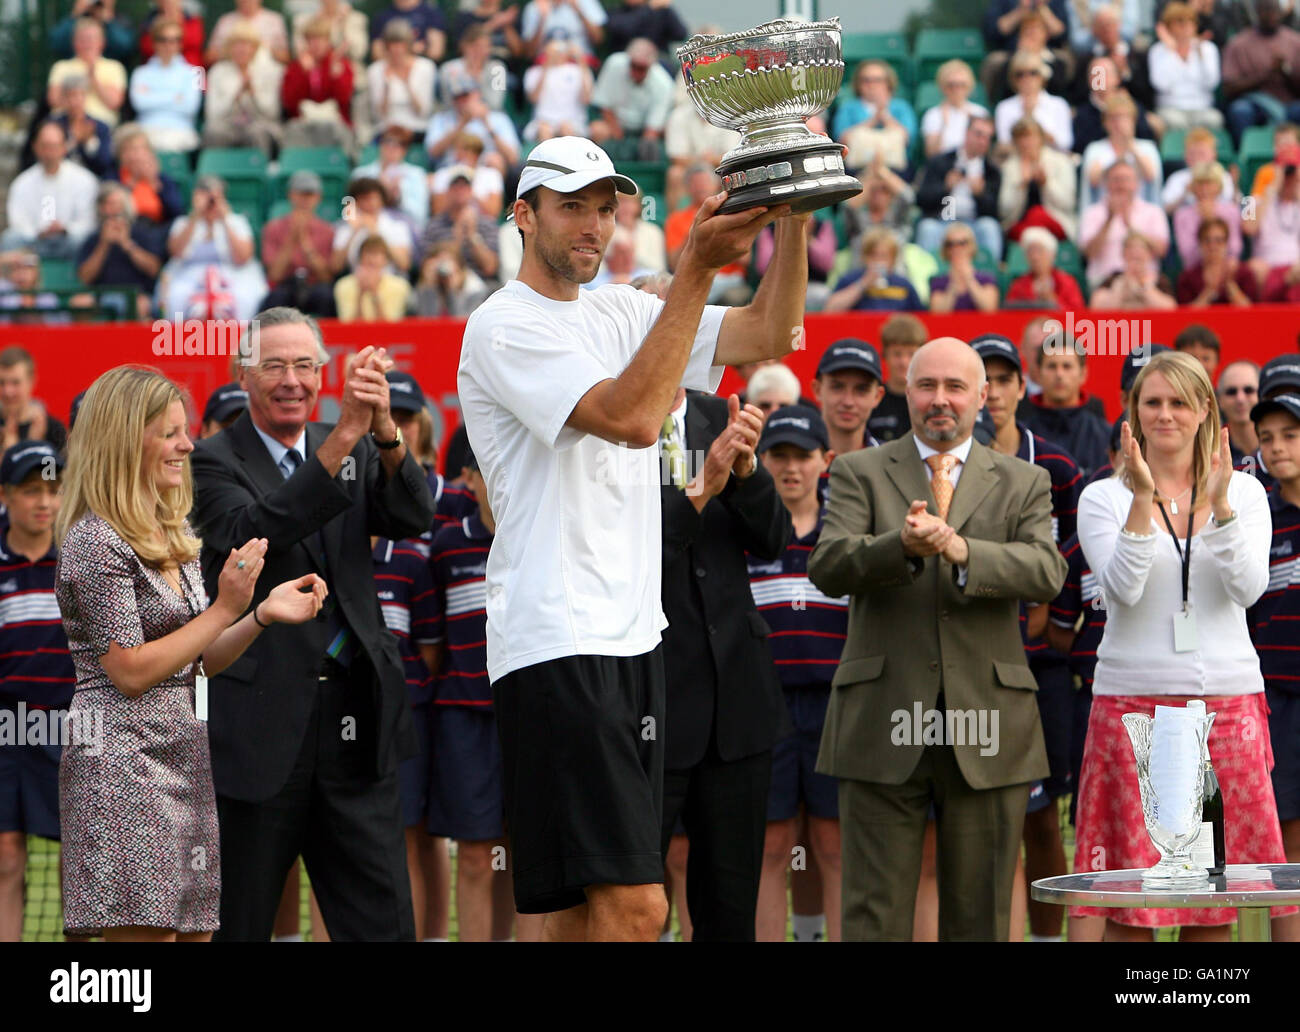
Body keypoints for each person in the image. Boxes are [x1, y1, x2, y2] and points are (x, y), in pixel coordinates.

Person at [456, 134, 811, 940]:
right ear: (523, 215)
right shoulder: (501, 325)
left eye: (605, 208)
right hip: (558, 639)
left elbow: (771, 331)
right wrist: (695, 268)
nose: (593, 225)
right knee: (639, 905)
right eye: (571, 206)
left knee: (584, 909)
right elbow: (632, 418)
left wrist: (790, 215)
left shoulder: (621, 309)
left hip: (629, 636)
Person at [55, 365, 328, 941]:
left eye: (187, 430)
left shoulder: (167, 532)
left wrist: (258, 613)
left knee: (197, 932)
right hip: (120, 764)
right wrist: (224, 610)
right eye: (171, 432)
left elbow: (200, 660)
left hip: (184, 751)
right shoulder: (95, 538)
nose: (188, 445)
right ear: (128, 439)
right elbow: (128, 670)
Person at [808, 336, 1068, 941]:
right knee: (874, 916)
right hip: (882, 717)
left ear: (985, 396)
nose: (940, 400)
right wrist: (897, 545)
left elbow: (1046, 572)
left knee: (980, 917)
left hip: (990, 721)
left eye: (956, 387)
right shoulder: (857, 471)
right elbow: (828, 565)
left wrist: (960, 550)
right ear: (906, 391)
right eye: (927, 385)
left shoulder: (1026, 480)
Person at [189, 308, 437, 941]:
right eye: (273, 365)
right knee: (236, 924)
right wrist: (343, 439)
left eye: (305, 365)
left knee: (383, 926)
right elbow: (255, 535)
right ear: (242, 374)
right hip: (258, 733)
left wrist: (382, 433)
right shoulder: (210, 461)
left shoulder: (351, 441)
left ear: (324, 373)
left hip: (358, 729)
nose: (292, 380)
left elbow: (414, 516)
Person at [1071, 350, 1295, 942]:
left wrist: (1219, 506)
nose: (1165, 414)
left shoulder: (1245, 493)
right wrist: (1143, 500)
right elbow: (1121, 590)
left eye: (1178, 402)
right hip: (1131, 705)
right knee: (1131, 894)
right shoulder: (1104, 497)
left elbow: (1248, 589)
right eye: (1152, 403)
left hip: (1226, 706)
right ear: (1133, 415)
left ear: (1204, 411)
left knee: (1211, 899)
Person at [656, 381, 790, 943]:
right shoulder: (605, 421)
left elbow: (772, 539)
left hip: (736, 700)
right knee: (629, 895)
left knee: (730, 905)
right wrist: (700, 487)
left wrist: (746, 472)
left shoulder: (722, 416)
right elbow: (632, 548)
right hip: (646, 705)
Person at [974, 333, 1083, 941]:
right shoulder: (937, 463)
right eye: (979, 380)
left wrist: (1047, 609)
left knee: (1042, 820)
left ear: (1022, 387)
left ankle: (1045, 938)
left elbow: (1072, 555)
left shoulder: (1059, 465)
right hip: (970, 660)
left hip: (1038, 666)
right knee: (982, 822)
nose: (992, 393)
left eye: (1003, 379)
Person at [425, 446, 538, 942]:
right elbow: (433, 642)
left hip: (536, 714)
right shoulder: (447, 545)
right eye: (490, 469)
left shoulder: (542, 535)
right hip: (466, 717)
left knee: (532, 856)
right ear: (470, 479)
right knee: (475, 855)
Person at [750, 406, 847, 942]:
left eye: (803, 456)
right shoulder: (748, 527)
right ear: (762, 461)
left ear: (825, 461)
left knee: (833, 843)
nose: (791, 468)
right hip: (767, 706)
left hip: (835, 705)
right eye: (779, 456)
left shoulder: (845, 529)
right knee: (771, 843)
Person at [0, 442, 73, 942]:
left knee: (81, 859)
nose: (43, 502)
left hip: (72, 726)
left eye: (52, 490)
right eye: (29, 491)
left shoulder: (77, 557)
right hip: (5, 729)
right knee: (6, 855)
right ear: (5, 495)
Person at [1249, 390, 1300, 939]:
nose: (1277, 448)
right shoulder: (1257, 514)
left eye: (1290, 435)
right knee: (1285, 842)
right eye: (1267, 439)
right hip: (1278, 702)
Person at [159, 176, 268, 321]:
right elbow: (175, 252)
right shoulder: (183, 222)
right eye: (205, 195)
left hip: (233, 273)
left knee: (244, 298)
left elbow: (243, 257)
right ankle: (178, 341)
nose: (210, 202)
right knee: (175, 297)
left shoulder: (236, 222)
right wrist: (196, 215)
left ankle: (243, 341)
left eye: (215, 196)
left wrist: (224, 219)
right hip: (188, 275)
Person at [1022, 333, 1114, 478]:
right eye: (1052, 366)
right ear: (1038, 373)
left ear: (1083, 373)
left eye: (1067, 366)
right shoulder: (1022, 435)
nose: (1059, 374)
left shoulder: (1106, 437)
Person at [2, 122, 98, 261]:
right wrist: (39, 232)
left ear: (64, 147)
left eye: (54, 146)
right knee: (10, 240)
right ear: (35, 147)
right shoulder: (22, 183)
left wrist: (65, 229)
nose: (49, 152)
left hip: (69, 241)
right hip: (34, 243)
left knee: (86, 240)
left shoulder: (84, 179)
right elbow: (17, 222)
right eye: (45, 146)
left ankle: (78, 280)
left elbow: (88, 222)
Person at [915, 114, 1003, 260]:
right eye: (979, 134)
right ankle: (926, 277)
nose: (982, 141)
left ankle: (990, 276)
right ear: (966, 133)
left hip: (974, 223)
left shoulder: (992, 171)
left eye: (987, 137)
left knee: (990, 227)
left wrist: (980, 194)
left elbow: (994, 212)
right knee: (927, 228)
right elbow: (922, 199)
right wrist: (945, 187)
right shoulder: (940, 161)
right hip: (942, 221)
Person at [76, 181, 166, 321]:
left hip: (137, 294)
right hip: (101, 295)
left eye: (115, 204)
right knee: (80, 303)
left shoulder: (142, 233)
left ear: (126, 206)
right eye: (106, 205)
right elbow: (85, 277)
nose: (111, 210)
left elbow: (153, 269)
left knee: (140, 306)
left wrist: (127, 244)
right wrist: (103, 245)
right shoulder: (94, 238)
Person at [665, 165, 751, 306]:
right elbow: (674, 264)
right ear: (687, 189)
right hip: (692, 280)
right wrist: (693, 234)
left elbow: (745, 258)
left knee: (734, 297)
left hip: (729, 281)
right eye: (695, 183)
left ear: (715, 185)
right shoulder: (676, 220)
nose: (700, 187)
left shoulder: (732, 213)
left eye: (704, 182)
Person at [1079, 161, 1170, 288]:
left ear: (1137, 184)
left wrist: (1130, 226)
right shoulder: (1092, 213)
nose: (1121, 185)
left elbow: (1161, 251)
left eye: (1126, 179)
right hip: (1104, 281)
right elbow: (1089, 254)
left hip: (1146, 280)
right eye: (1116, 179)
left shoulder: (1153, 212)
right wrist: (1109, 220)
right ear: (1106, 184)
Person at [260, 170, 337, 317]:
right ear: (291, 195)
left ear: (318, 197)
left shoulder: (327, 231)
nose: (305, 200)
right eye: (301, 194)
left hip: (315, 285)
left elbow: (326, 277)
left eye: (310, 195)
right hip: (286, 284)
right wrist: (291, 240)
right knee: (274, 299)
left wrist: (306, 244)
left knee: (327, 297)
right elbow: (274, 275)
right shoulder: (274, 228)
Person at [1222, 0, 1300, 143]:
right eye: (1266, 10)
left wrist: (1284, 71)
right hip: (1255, 103)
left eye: (1275, 10)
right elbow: (1229, 88)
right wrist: (1267, 75)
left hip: (1288, 103)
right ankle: (1244, 158)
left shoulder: (1295, 41)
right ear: (1257, 12)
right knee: (1240, 111)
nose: (1271, 15)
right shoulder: (1239, 43)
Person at [202, 23, 285, 155]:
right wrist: (236, 95)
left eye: (247, 45)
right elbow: (212, 114)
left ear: (255, 49)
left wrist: (254, 94)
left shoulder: (270, 72)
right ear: (229, 48)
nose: (242, 50)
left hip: (260, 124)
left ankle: (258, 173)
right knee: (214, 132)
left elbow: (273, 113)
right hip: (227, 124)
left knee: (257, 133)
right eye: (237, 45)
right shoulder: (217, 72)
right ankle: (216, 172)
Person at [589, 38, 674, 161]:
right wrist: (619, 138)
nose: (636, 72)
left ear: (651, 65)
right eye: (633, 66)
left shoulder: (664, 84)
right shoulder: (614, 64)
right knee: (597, 130)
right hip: (614, 124)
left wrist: (644, 143)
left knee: (652, 144)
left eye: (641, 68)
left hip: (642, 130)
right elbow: (605, 107)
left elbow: (653, 128)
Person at [281, 15, 356, 154]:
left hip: (333, 121)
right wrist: (303, 74)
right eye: (312, 40)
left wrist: (336, 76)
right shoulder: (295, 67)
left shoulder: (340, 63)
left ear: (328, 41)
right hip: (304, 123)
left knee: (338, 131)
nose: (317, 44)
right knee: (293, 129)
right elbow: (289, 104)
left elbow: (344, 101)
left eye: (321, 39)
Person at [1078, 94, 1164, 212]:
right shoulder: (1095, 149)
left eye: (1124, 117)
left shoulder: (1147, 147)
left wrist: (1129, 145)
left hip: (1141, 213)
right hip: (1105, 211)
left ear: (1133, 120)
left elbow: (1151, 176)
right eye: (1113, 118)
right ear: (1105, 122)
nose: (1118, 123)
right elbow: (1093, 180)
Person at [998, 117, 1078, 243]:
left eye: (1030, 137)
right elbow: (1004, 210)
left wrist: (1046, 183)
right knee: (1033, 217)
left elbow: (1068, 203)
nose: (1026, 143)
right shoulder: (1010, 166)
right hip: (1021, 225)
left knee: (1037, 214)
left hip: (1055, 222)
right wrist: (1022, 185)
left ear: (1040, 138)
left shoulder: (1061, 162)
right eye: (1021, 138)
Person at [129, 18, 202, 154]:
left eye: (175, 40)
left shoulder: (195, 72)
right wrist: (175, 97)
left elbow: (191, 107)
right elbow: (139, 103)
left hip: (181, 133)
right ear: (154, 42)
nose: (169, 45)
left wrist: (153, 96)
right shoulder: (140, 73)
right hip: (146, 132)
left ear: (180, 43)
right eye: (163, 39)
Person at [1149, 2, 1225, 130]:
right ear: (1169, 27)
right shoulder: (1158, 51)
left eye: (1189, 22)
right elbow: (1161, 84)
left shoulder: (1208, 48)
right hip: (1171, 109)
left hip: (1202, 108)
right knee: (1176, 123)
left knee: (1214, 119)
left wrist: (1201, 56)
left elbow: (1212, 83)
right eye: (1179, 22)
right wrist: (1171, 52)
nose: (1185, 27)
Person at [833, 60, 918, 175]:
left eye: (877, 80)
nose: (871, 85)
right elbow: (843, 140)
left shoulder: (901, 107)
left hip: (895, 168)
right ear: (858, 84)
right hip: (858, 167)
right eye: (866, 80)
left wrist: (885, 116)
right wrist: (873, 120)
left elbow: (907, 139)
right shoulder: (848, 107)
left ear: (888, 83)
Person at [419, 168, 500, 285]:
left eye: (464, 186)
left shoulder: (487, 225)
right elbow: (424, 268)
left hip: (479, 287)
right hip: (442, 282)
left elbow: (490, 268)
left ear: (471, 191)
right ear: (448, 191)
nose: (460, 191)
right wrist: (457, 236)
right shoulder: (434, 225)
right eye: (455, 186)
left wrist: (472, 236)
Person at [1243, 142, 1300, 302]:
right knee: (1255, 268)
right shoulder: (1252, 199)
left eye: (1292, 170)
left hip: (1296, 265)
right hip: (1267, 265)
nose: (1288, 178)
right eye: (1286, 171)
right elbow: (1248, 228)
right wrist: (1272, 188)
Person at [46, 17, 127, 129]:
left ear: (102, 42)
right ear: (74, 42)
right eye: (83, 39)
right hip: (64, 125)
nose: (87, 43)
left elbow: (114, 103)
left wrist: (93, 78)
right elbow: (54, 100)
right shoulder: (61, 66)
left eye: (92, 38)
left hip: (101, 127)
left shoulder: (114, 67)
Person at [423, 77, 519, 170]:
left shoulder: (498, 118)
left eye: (465, 95)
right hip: (452, 168)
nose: (461, 101)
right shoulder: (440, 119)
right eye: (457, 97)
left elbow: (512, 158)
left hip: (486, 169)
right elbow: (433, 153)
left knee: (494, 160)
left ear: (477, 94)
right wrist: (461, 124)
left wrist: (486, 124)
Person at [367, 19, 437, 141]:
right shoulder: (375, 70)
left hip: (418, 129)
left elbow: (424, 111)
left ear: (408, 44)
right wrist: (386, 87)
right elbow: (378, 115)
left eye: (401, 44)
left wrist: (407, 84)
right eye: (392, 44)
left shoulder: (426, 67)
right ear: (387, 46)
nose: (397, 49)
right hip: (387, 130)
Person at [825, 229, 922, 314]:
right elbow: (830, 309)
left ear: (893, 260)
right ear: (864, 257)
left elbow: (921, 316)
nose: (878, 260)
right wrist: (864, 283)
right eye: (874, 255)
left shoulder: (903, 284)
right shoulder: (850, 279)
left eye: (884, 256)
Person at [331, 177, 413, 275]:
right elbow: (335, 267)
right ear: (355, 202)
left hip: (390, 280)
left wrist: (375, 231)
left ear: (382, 200)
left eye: (375, 198)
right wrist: (354, 232)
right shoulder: (345, 228)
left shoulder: (397, 226)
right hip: (357, 282)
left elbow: (404, 264)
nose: (371, 203)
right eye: (365, 199)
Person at [994, 52, 1073, 151]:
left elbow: (1065, 143)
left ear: (1042, 76)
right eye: (1020, 74)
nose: (1027, 78)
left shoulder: (1059, 104)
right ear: (1013, 78)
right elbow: (1004, 143)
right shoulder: (1004, 107)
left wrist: (1034, 121)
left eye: (1033, 73)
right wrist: (1026, 115)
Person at [868, 314, 927, 444]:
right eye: (897, 354)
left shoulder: (930, 401)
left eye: (911, 354)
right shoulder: (872, 400)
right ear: (884, 354)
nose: (904, 362)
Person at [1172, 162, 1242, 268]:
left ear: (1219, 187)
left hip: (1226, 268)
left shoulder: (1232, 211)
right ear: (1193, 187)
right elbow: (1187, 254)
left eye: (1209, 183)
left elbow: (1235, 249)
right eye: (1200, 184)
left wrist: (1212, 219)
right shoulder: (1182, 215)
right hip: (1197, 270)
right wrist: (1205, 221)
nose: (1204, 189)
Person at [1177, 216, 1258, 305]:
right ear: (1200, 243)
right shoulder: (1188, 278)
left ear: (1226, 243)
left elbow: (1253, 311)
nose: (1213, 246)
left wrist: (1231, 286)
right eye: (1207, 240)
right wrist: (1208, 292)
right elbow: (1185, 315)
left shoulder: (1243, 273)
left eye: (1218, 240)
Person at [0, 348, 69, 453]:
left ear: (31, 381)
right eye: (2, 382)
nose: (8, 391)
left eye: (15, 382)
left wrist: (34, 445)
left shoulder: (53, 430)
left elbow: (61, 468)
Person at [523, 39, 592, 142]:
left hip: (572, 122)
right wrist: (546, 66)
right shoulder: (533, 72)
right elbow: (533, 98)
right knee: (544, 130)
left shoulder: (578, 71)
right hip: (543, 121)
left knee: (566, 129)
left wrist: (580, 60)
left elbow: (587, 99)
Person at [1089, 231, 1179, 309]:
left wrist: (1144, 287)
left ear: (1149, 254)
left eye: (1140, 248)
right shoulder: (1113, 278)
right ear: (1123, 254)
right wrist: (1122, 286)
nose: (1135, 252)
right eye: (1130, 248)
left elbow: (1171, 307)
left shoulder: (1160, 280)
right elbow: (1096, 305)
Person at [923, 60, 992, 159]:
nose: (956, 89)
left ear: (969, 86)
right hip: (943, 165)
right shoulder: (933, 114)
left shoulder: (980, 112)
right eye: (951, 85)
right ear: (943, 87)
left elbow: (985, 150)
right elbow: (932, 153)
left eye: (961, 85)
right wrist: (944, 124)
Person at [1162, 126, 1235, 216]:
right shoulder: (1177, 178)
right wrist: (1185, 193)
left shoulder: (1224, 177)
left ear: (1214, 155)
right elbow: (1165, 209)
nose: (1197, 159)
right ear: (1185, 156)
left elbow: (1232, 205)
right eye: (1192, 154)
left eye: (1201, 154)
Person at [334, 236, 411, 321]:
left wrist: (375, 293)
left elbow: (390, 329)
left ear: (386, 260)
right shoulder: (343, 286)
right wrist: (360, 294)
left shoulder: (400, 286)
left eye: (377, 254)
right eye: (368, 253)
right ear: (360, 259)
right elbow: (348, 329)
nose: (372, 259)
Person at [1005, 226, 1085, 308]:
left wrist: (1052, 301)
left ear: (1052, 255)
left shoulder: (1067, 283)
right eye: (1030, 251)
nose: (1035, 257)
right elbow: (1010, 313)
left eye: (1039, 251)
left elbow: (1077, 314)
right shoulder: (1018, 285)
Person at [50, 77, 113, 179]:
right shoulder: (53, 125)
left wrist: (89, 142)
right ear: (63, 99)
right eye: (71, 96)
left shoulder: (100, 127)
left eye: (81, 95)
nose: (76, 101)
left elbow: (104, 163)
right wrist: (73, 142)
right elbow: (49, 157)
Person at [928, 224, 999, 313]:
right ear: (945, 249)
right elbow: (937, 314)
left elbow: (989, 309)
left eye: (962, 243)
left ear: (971, 246)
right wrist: (953, 286)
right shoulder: (938, 282)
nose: (956, 248)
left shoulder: (986, 279)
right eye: (950, 244)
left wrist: (969, 279)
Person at [439, 22, 508, 110]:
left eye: (486, 46)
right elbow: (447, 102)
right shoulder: (448, 68)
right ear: (465, 46)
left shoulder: (499, 69)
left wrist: (477, 78)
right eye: (476, 46)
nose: (481, 51)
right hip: (456, 117)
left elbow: (496, 104)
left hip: (490, 116)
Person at [416, 241, 491, 316]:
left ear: (460, 268)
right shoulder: (431, 288)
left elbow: (461, 322)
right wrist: (430, 287)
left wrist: (453, 290)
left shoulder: (474, 290)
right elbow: (427, 321)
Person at [205, 0, 290, 65]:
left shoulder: (274, 20)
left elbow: (285, 58)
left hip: (265, 75)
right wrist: (232, 50)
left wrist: (262, 48)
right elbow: (209, 57)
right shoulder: (225, 21)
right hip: (229, 74)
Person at [519, 0, 606, 60]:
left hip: (581, 63)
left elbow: (599, 40)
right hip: (546, 67)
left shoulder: (586, 2)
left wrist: (579, 10)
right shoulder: (535, 7)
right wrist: (542, 20)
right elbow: (529, 53)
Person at [370, 0, 447, 61]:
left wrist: (397, 52)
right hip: (389, 67)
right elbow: (377, 55)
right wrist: (411, 49)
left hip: (422, 66)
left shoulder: (431, 14)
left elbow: (435, 53)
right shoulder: (382, 17)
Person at [138, 0, 205, 68]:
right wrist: (161, 26)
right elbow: (147, 48)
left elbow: (195, 42)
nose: (169, 3)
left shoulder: (192, 19)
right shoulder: (150, 21)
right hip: (158, 69)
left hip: (189, 67)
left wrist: (177, 23)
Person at [1217, 360, 1261, 464]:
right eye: (1231, 392)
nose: (1240, 399)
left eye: (1248, 390)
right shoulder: (1208, 452)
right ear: (1219, 400)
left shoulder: (1281, 447)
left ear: (1262, 395)